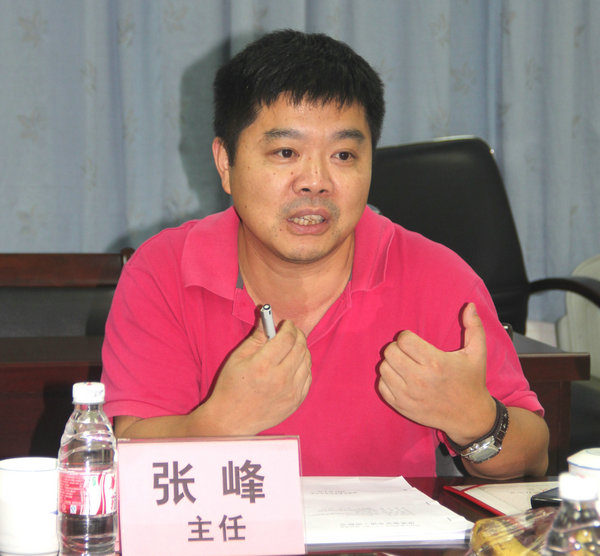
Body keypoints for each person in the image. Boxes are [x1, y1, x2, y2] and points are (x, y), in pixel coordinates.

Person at [101, 29, 549, 478]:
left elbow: (533, 459)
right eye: (285, 152)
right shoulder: (164, 271)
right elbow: (129, 460)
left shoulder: (438, 277)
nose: (315, 181)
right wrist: (221, 422)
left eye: (344, 156)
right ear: (225, 163)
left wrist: (475, 419)